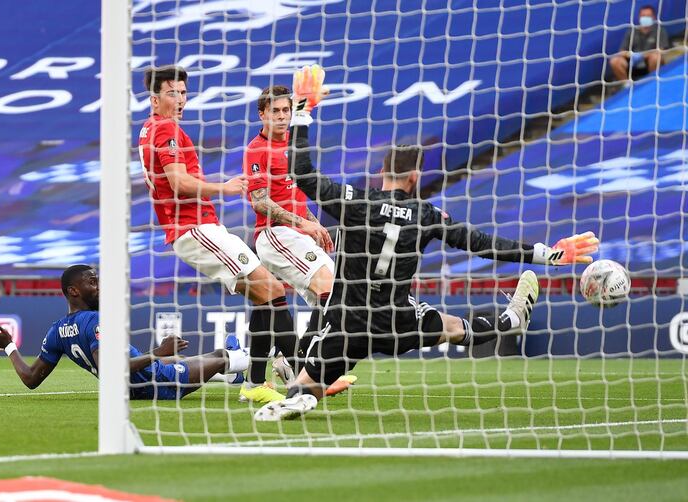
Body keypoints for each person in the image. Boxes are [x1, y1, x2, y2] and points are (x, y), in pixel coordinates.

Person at [255, 66, 600, 421]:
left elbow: (302, 172)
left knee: (303, 385)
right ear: (416, 176)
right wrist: (550, 254)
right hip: (398, 320)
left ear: (382, 170)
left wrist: (303, 111)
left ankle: (301, 396)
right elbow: (483, 244)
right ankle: (510, 319)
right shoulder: (428, 215)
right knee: (454, 329)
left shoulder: (356, 202)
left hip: (349, 322)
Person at [137, 65, 301, 404]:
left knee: (264, 294)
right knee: (270, 286)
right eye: (172, 93)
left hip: (195, 228)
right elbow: (179, 182)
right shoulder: (165, 127)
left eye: (183, 92)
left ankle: (258, 380)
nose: (180, 99)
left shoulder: (151, 128)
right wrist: (223, 188)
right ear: (155, 99)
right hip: (193, 228)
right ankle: (305, 376)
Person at [0, 265, 250, 400]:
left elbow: (30, 379)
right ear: (74, 291)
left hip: (138, 381)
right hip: (156, 383)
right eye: (93, 283)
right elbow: (112, 369)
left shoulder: (57, 330)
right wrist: (157, 352)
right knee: (223, 359)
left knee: (208, 356)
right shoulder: (96, 322)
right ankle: (248, 360)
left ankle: (233, 367)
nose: (99, 287)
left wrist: (10, 347)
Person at [243, 85, 355, 395]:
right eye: (275, 111)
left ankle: (272, 371)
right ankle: (308, 369)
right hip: (273, 234)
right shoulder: (257, 148)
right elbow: (260, 202)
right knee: (329, 288)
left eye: (285, 111)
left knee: (270, 302)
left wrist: (315, 224)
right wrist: (303, 224)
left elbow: (297, 197)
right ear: (262, 114)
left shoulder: (294, 146)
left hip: (295, 232)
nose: (281, 117)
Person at [609, 5, 670, 85]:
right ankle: (627, 85)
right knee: (615, 61)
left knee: (656, 57)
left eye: (648, 16)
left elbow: (662, 50)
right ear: (639, 17)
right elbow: (622, 51)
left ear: (654, 17)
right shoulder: (631, 31)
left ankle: (653, 81)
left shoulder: (660, 31)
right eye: (643, 16)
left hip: (650, 63)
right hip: (632, 64)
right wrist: (632, 55)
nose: (645, 18)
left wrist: (643, 56)